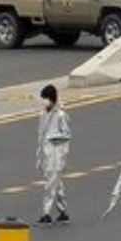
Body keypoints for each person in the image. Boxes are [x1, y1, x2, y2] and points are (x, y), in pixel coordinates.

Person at [36, 84, 72, 225]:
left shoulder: (61, 115)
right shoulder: (42, 114)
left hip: (57, 154)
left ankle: (46, 213)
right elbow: (40, 135)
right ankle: (63, 212)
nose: (44, 101)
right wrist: (39, 155)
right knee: (57, 184)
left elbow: (66, 135)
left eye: (45, 98)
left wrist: (55, 141)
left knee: (50, 185)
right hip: (46, 153)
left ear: (52, 98)